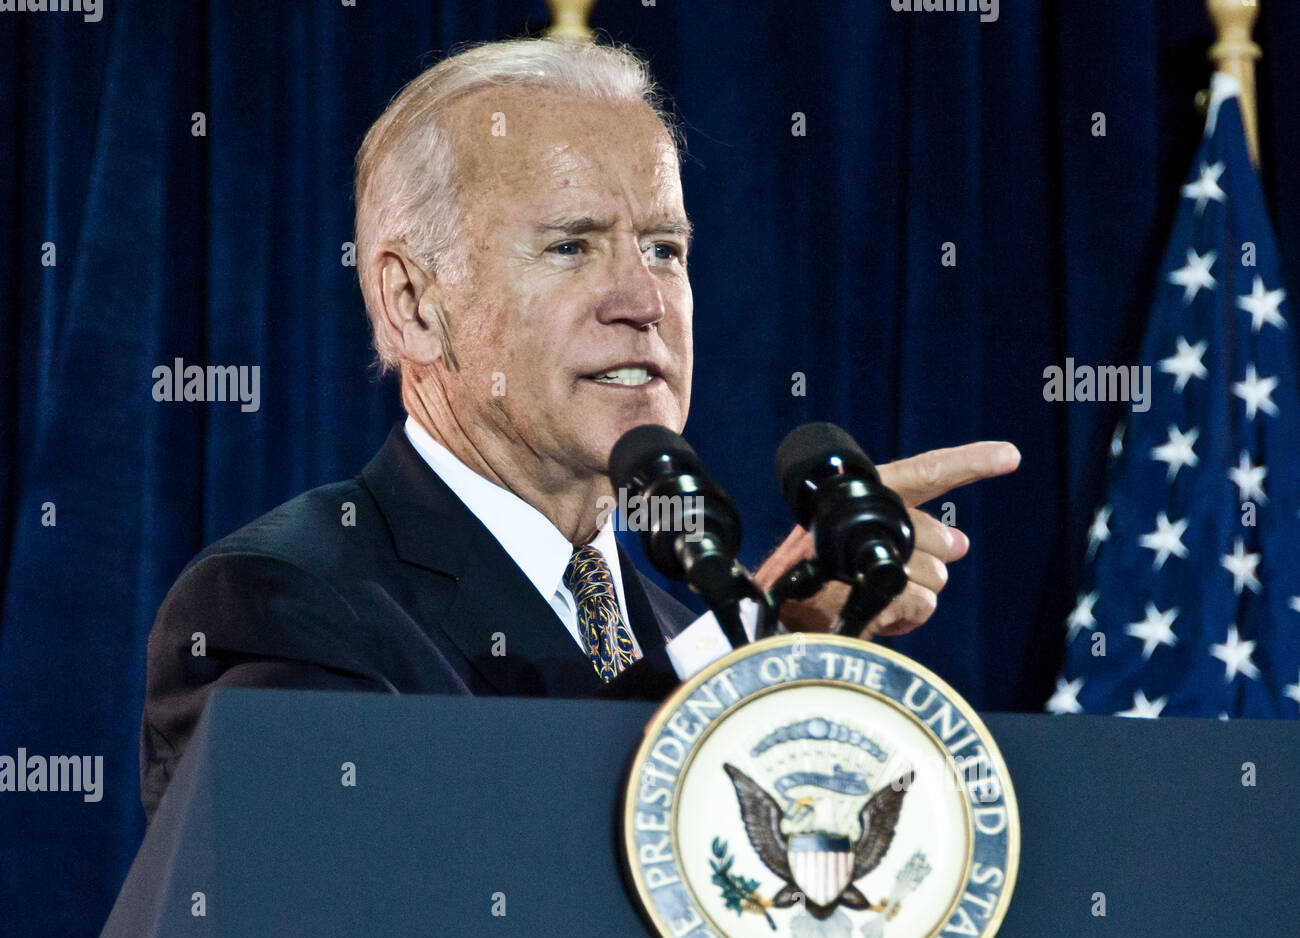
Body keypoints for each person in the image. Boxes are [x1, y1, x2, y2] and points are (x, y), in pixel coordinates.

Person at [140, 37, 1019, 822]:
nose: (643, 302)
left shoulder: (687, 632)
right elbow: (383, 918)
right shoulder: (280, 604)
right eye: (572, 246)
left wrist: (769, 659)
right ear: (410, 304)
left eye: (665, 248)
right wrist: (746, 654)